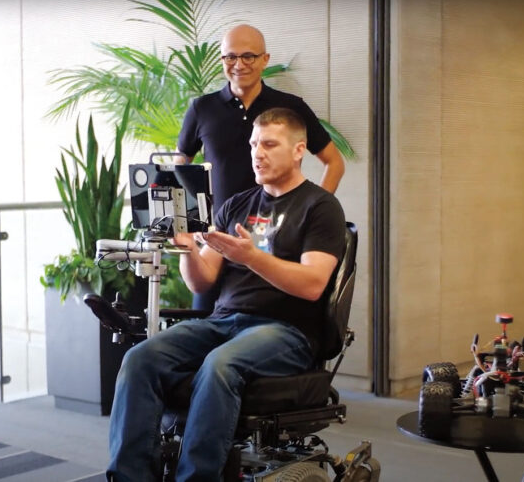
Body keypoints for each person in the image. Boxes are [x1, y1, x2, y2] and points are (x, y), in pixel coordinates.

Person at [107, 108, 347, 481]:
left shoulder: (320, 207)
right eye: (254, 144)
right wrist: (187, 247)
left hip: (287, 331)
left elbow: (313, 283)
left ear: (299, 150)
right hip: (225, 321)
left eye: (269, 144)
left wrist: (252, 257)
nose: (257, 153)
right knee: (140, 358)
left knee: (221, 365)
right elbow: (201, 281)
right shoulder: (237, 205)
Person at [177, 23, 345, 310]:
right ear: (222, 59)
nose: (239, 64)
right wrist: (192, 224)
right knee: (207, 323)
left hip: (273, 238)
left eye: (248, 56)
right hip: (219, 236)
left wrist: (309, 210)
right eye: (230, 57)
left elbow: (334, 162)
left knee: (265, 321)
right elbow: (181, 167)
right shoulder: (202, 109)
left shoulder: (290, 107)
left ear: (265, 59)